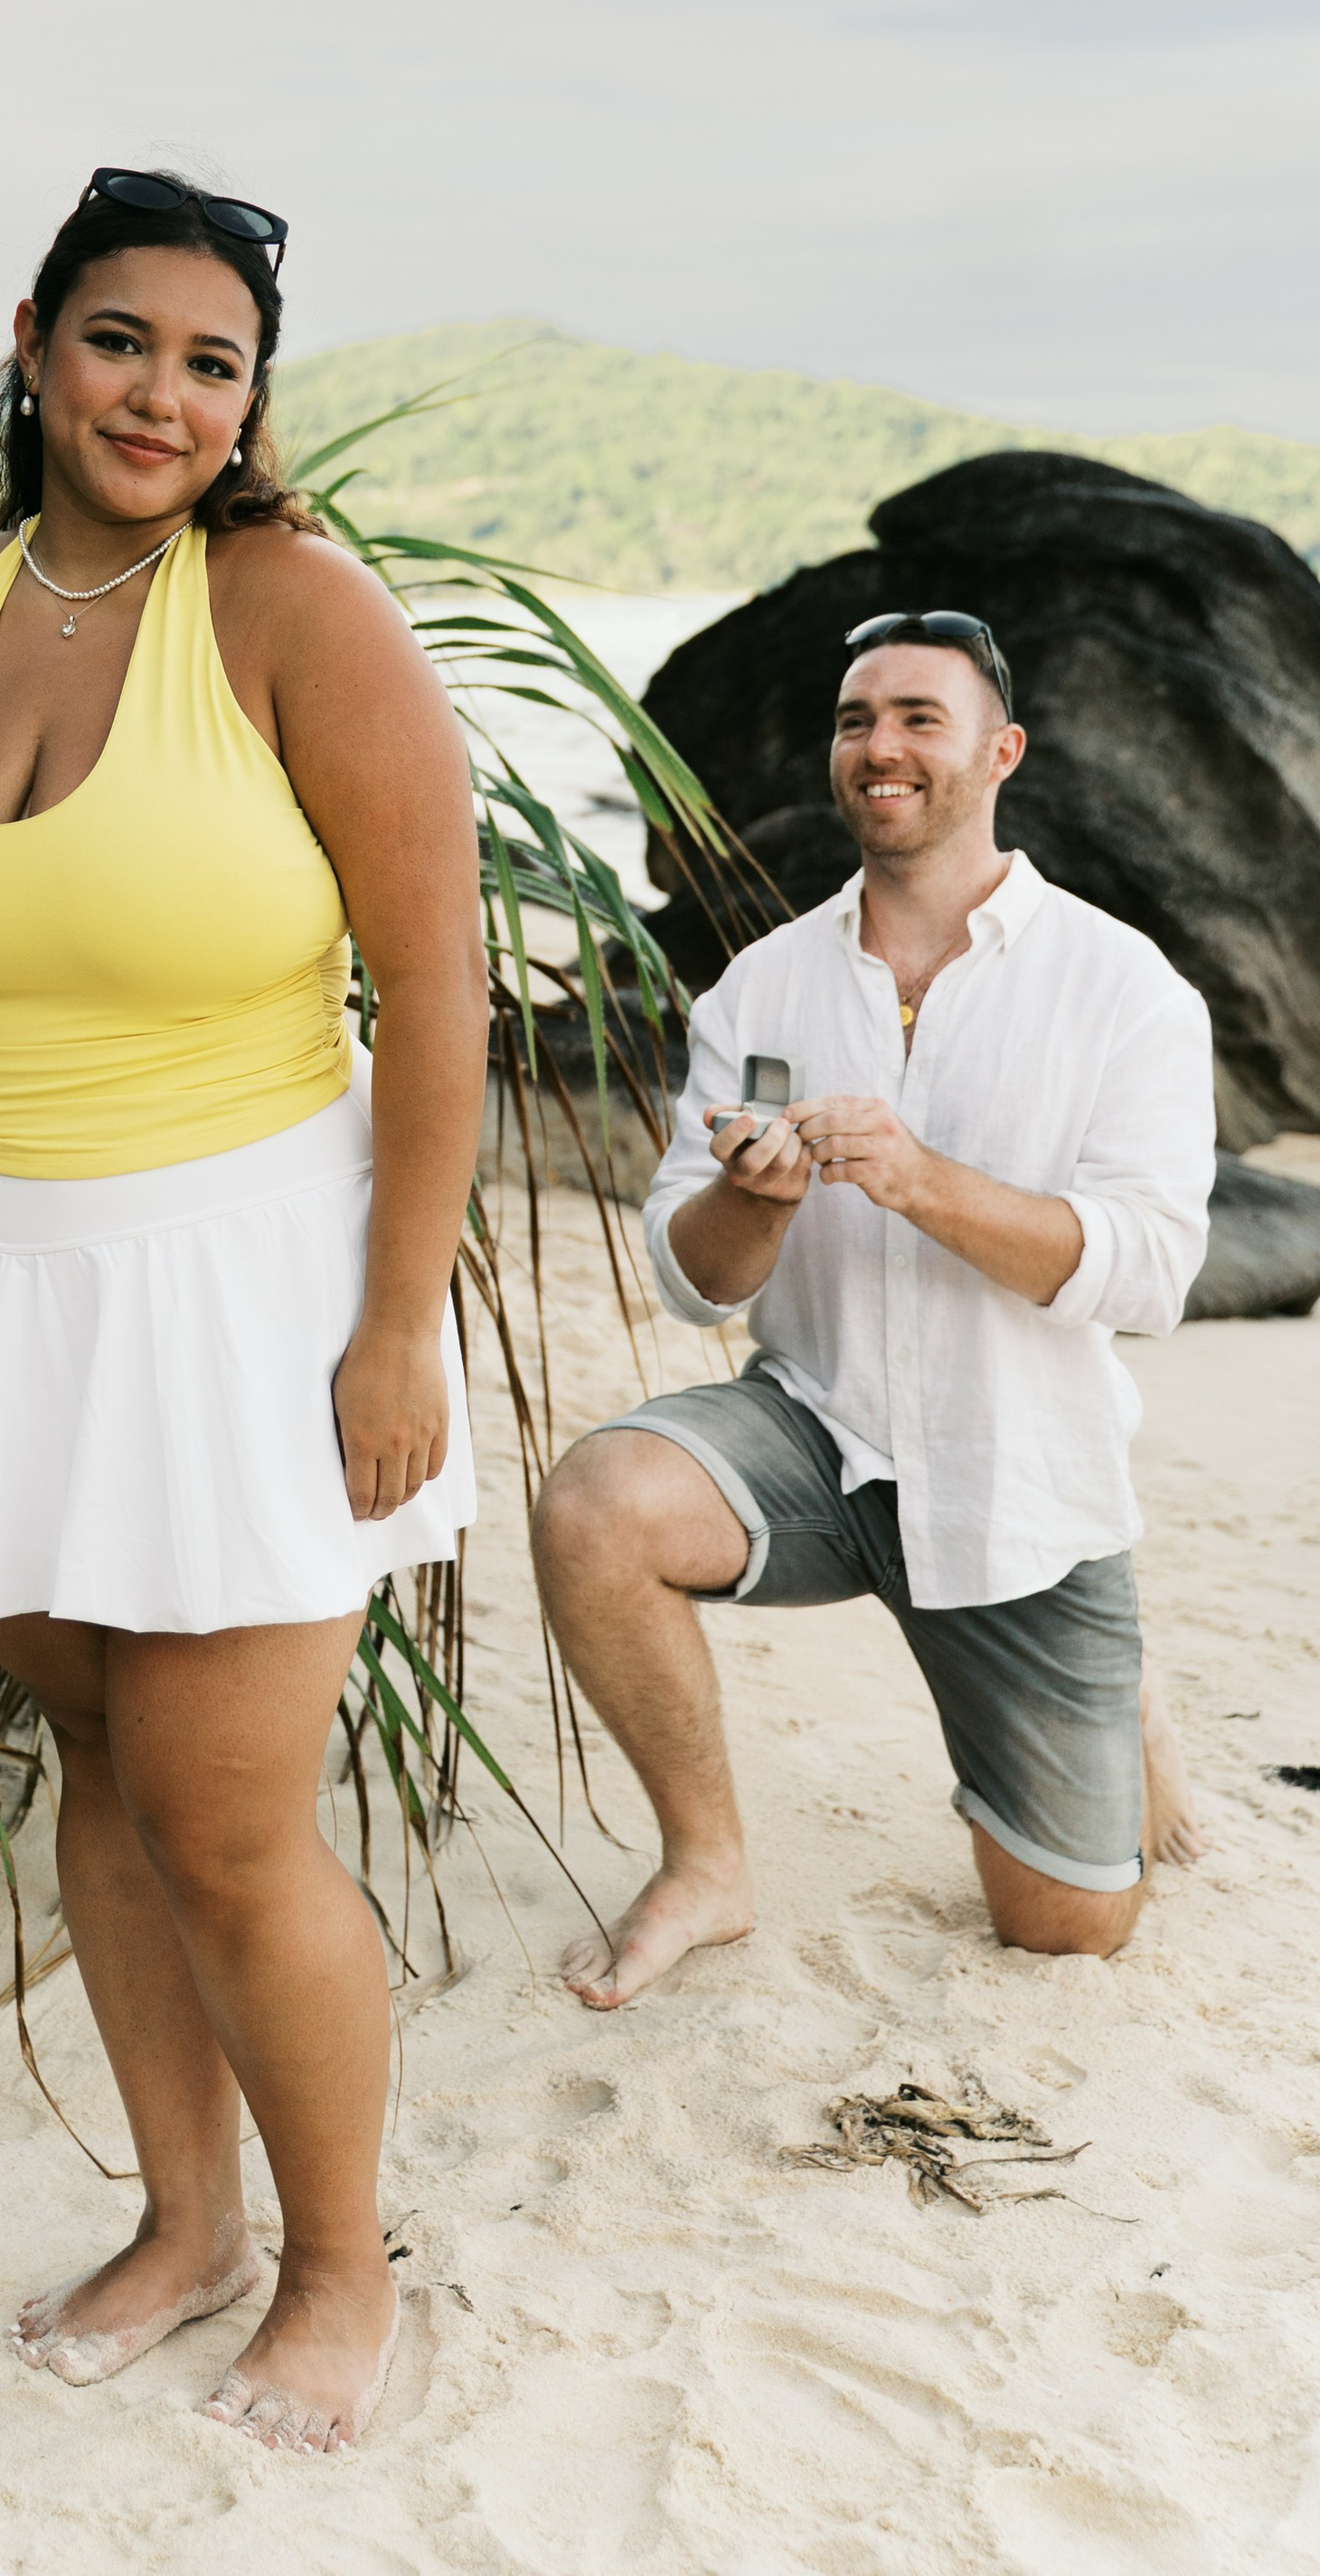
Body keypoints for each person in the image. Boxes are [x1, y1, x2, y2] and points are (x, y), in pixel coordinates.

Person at [0, 169, 486, 2452]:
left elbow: (442, 990)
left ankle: (339, 2266)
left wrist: (400, 1319)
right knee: (85, 1753)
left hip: (232, 1289)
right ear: (30, 337)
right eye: (122, 342)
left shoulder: (295, 612)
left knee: (222, 1808)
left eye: (212, 362)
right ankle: (178, 2224)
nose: (161, 396)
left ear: (251, 397)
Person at [530, 608, 1216, 2006]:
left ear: (999, 751)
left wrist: (918, 1181)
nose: (881, 746)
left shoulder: (1122, 986)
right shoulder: (763, 987)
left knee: (1067, 1928)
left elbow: (1150, 1273)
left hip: (1021, 1477)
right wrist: (757, 1206)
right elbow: (687, 1275)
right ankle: (708, 1868)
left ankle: (1131, 1698)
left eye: (919, 717)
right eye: (857, 720)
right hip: (820, 1438)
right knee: (595, 1507)